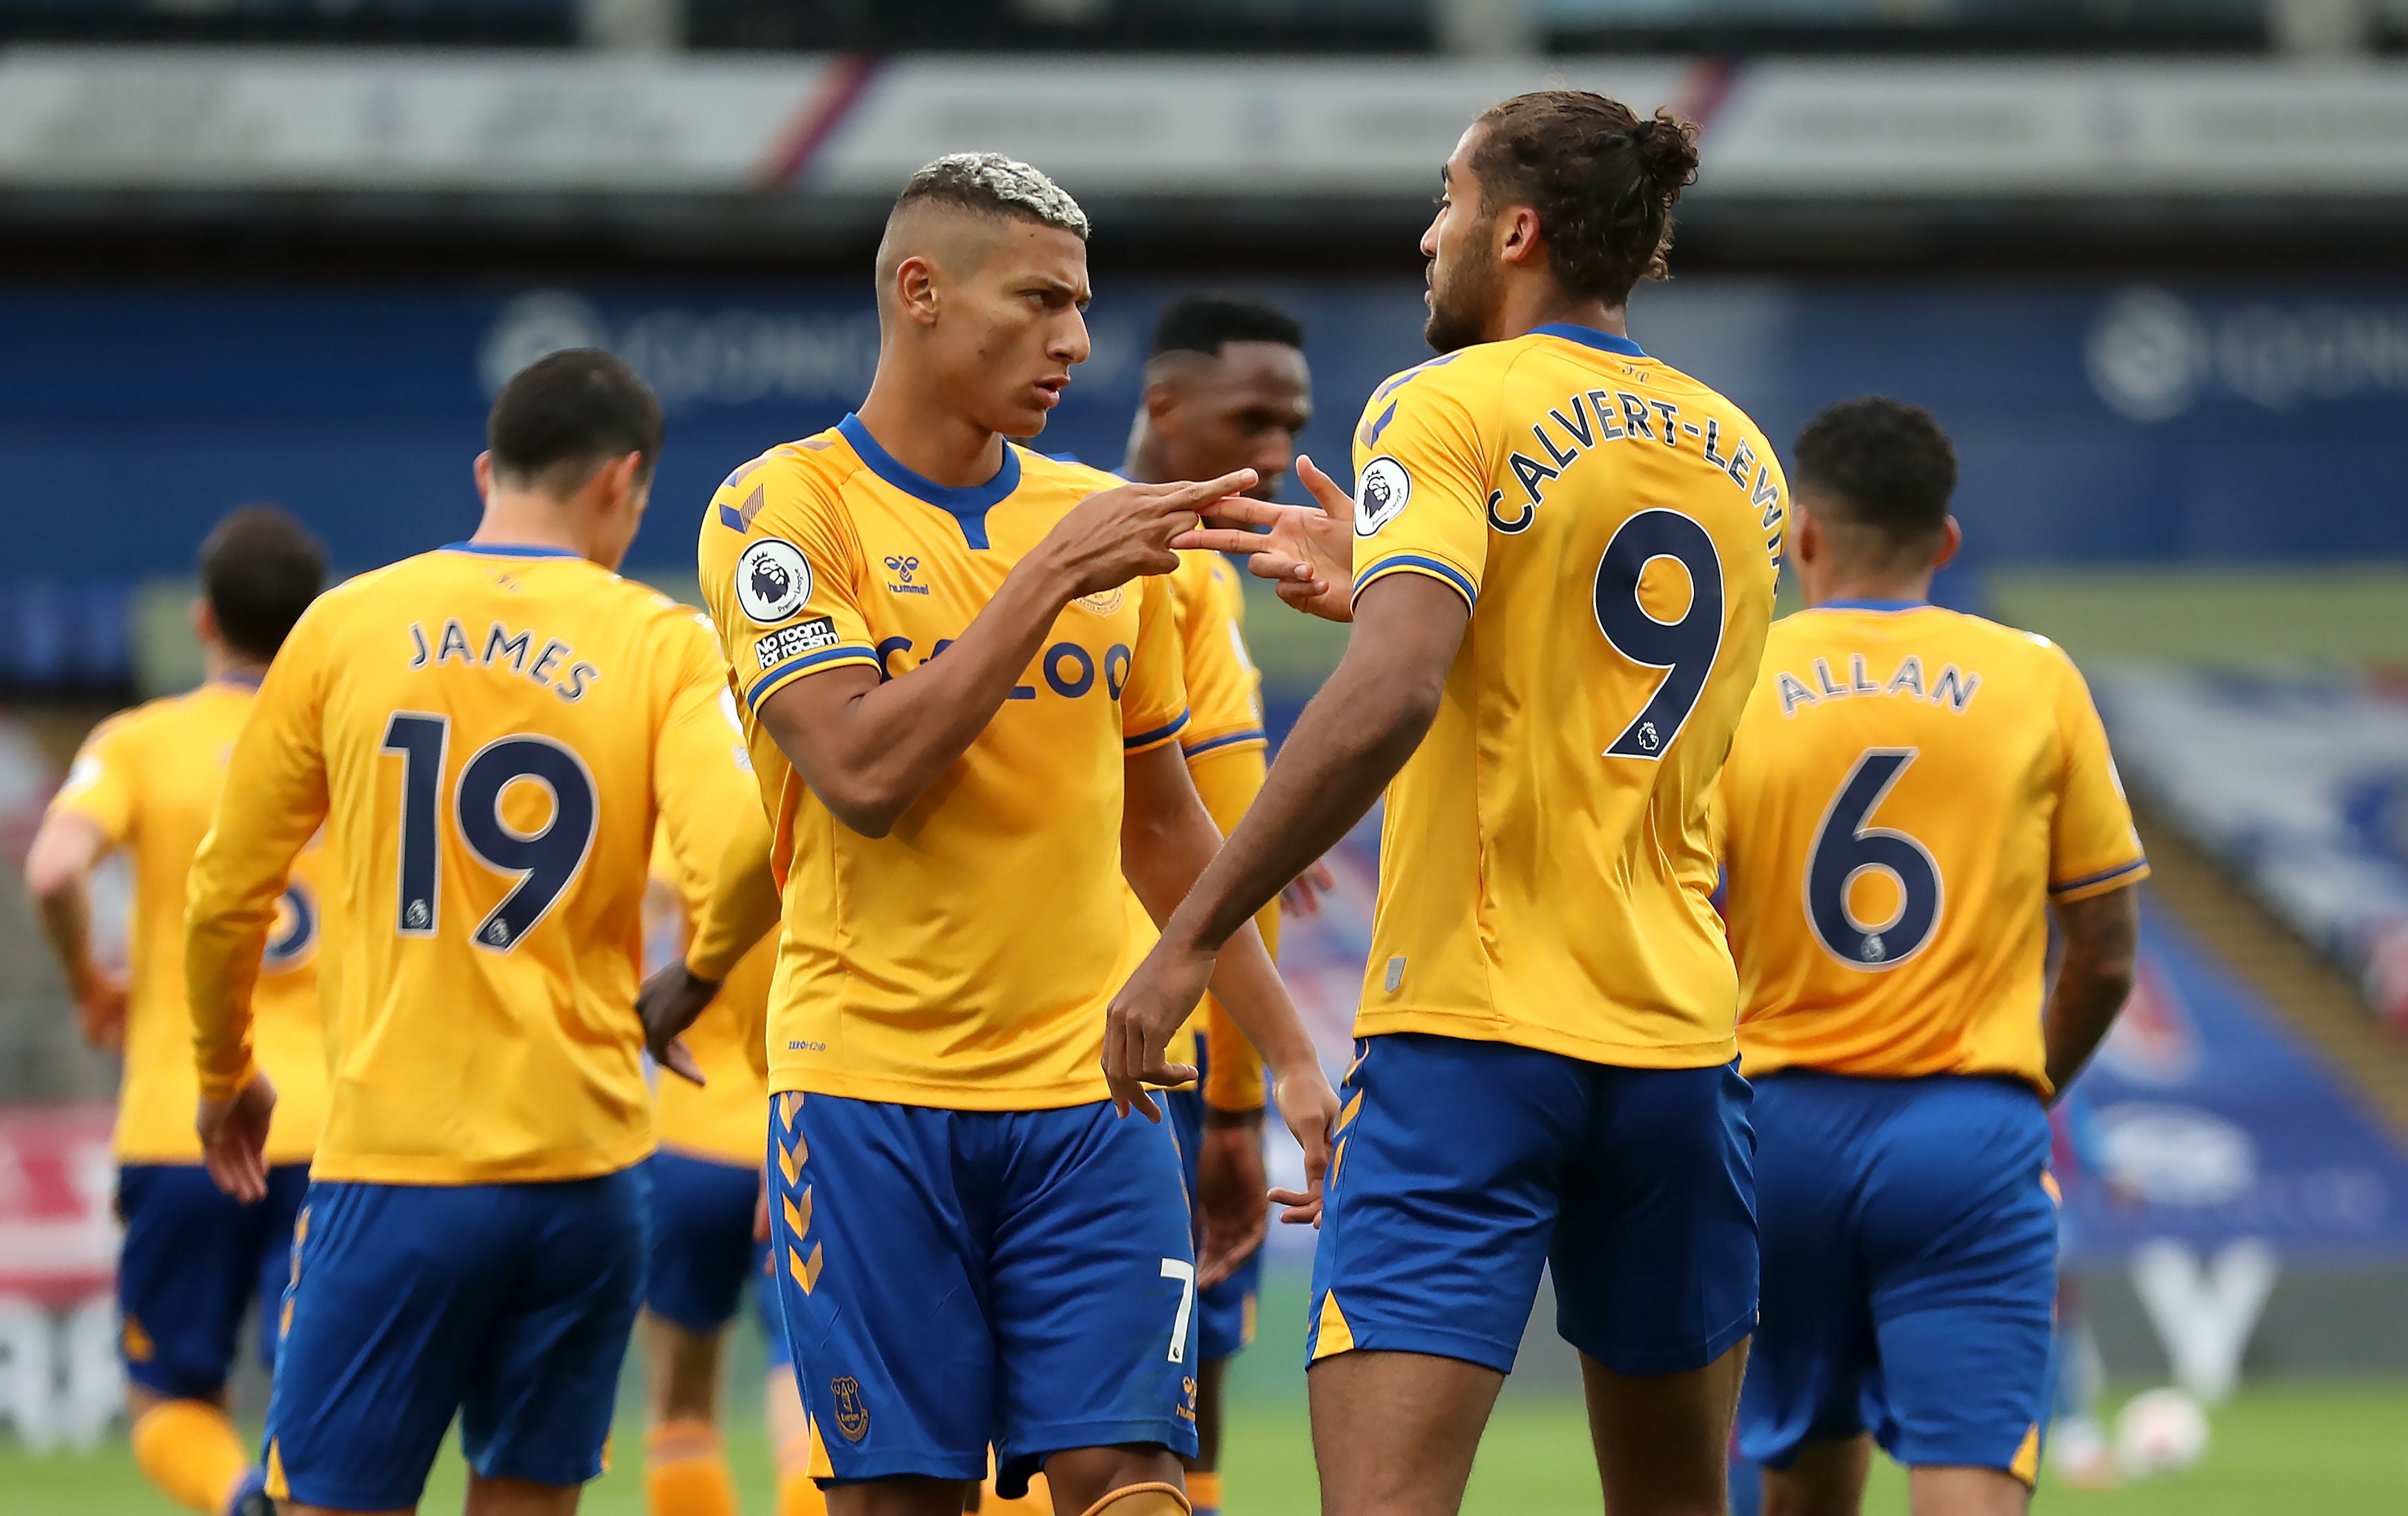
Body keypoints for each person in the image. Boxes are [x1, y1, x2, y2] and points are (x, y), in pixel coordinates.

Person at [1111, 92, 1783, 1516]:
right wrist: (1392, 572)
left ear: (1517, 230)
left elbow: (1397, 689)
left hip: (1472, 1038)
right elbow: (1588, 659)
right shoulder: (1738, 452)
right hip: (1675, 1041)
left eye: (1448, 199)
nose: (1429, 234)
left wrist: (1188, 942)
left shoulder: (1442, 401)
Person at [682, 152, 1337, 1516]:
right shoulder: (782, 511)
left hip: (1089, 1101)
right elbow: (861, 770)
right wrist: (1040, 583)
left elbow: (1163, 833)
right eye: (1039, 302)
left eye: (1082, 307)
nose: (1076, 342)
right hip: (868, 1090)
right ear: (919, 293)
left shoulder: (1092, 529)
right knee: (901, 1498)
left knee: (1138, 1485)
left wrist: (1283, 1057)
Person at [183, 349, 762, 1516]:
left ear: (488, 469)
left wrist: (223, 1068)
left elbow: (224, 889)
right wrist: (691, 978)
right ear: (624, 480)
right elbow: (751, 852)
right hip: (589, 1164)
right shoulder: (662, 640)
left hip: (400, 1163)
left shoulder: (347, 624)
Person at [1712, 397, 2145, 1516]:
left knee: (1799, 1476)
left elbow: (1674, 914)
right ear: (1945, 542)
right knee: (1969, 1483)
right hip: (1967, 1128)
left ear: (1802, 531)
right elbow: (2102, 951)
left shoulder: (1734, 676)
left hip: (1775, 1132)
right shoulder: (2036, 677)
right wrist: (2026, 1086)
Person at [23, 506, 327, 1516]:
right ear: (312, 624)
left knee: (165, 1401)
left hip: (184, 1123)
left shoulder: (142, 743)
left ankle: (243, 1500)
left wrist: (89, 985)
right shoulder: (347, 746)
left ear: (204, 621)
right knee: (325, 1396)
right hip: (339, 1132)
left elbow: (54, 866)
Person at [1117, 292, 1322, 1516]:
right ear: (1164, 407)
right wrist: (1240, 1110)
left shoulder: (1197, 562)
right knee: (1148, 1428)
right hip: (1152, 1070)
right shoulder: (1168, 566)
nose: (1281, 452)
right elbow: (1203, 864)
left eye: (1294, 421)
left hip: (1109, 1059)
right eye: (1254, 418)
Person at [641, 803, 825, 1516]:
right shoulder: (820, 793)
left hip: (687, 1135)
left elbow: (650, 907)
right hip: (804, 1124)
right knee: (805, 1372)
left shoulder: (694, 798)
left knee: (680, 1398)